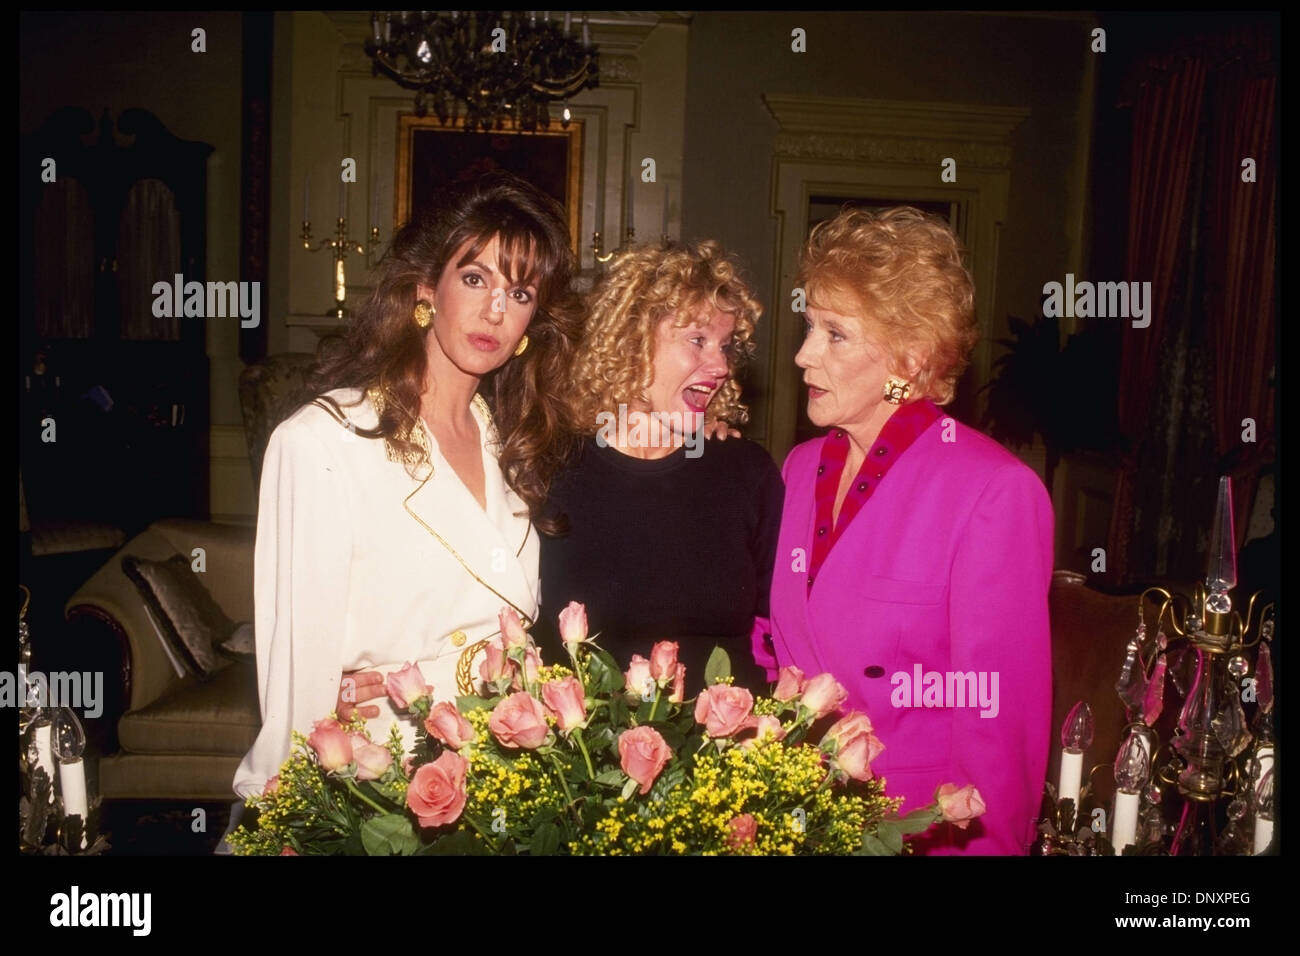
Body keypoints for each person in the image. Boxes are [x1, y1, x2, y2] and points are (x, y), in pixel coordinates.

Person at [231, 172, 581, 801]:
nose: (495, 312)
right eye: (475, 279)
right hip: (381, 778)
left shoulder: (515, 440)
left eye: (520, 292)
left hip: (505, 772)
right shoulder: (323, 442)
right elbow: (295, 693)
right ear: (427, 289)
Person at [765, 206, 1053, 854]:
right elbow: (782, 653)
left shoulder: (992, 493)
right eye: (810, 326)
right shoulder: (801, 467)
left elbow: (1001, 737)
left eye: (835, 334)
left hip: (915, 836)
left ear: (912, 355)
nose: (803, 354)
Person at [533, 240, 784, 695]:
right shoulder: (550, 469)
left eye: (726, 345)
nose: (721, 365)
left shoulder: (745, 473)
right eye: (698, 341)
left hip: (728, 754)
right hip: (579, 754)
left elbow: (784, 628)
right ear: (632, 341)